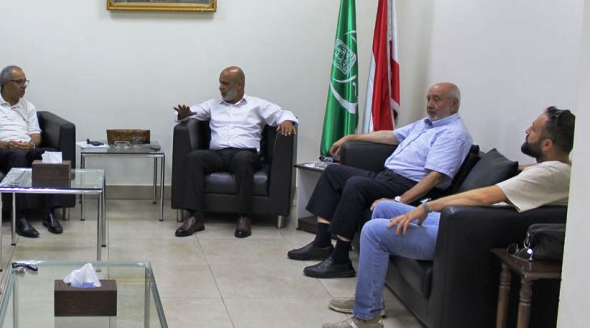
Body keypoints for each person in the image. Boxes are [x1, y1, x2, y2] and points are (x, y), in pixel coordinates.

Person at [323, 106, 574, 328]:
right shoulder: (555, 169)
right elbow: (527, 174)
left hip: (464, 233)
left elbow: (484, 196)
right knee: (384, 209)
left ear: (547, 145)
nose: (527, 130)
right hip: (462, 221)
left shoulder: (550, 174)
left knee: (373, 231)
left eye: (534, 129)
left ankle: (366, 319)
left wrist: (427, 208)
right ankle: (370, 300)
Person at [288, 82, 473, 279]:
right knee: (333, 172)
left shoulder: (454, 134)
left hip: (408, 186)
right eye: (428, 99)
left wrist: (399, 201)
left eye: (436, 99)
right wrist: (351, 137)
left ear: (453, 104)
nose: (429, 104)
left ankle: (340, 260)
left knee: (356, 185)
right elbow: (391, 136)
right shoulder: (426, 124)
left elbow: (435, 178)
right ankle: (321, 243)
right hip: (387, 176)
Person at [172, 66, 298, 238]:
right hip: (218, 154)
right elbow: (189, 113)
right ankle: (195, 217)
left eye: (225, 84)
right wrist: (182, 115)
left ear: (239, 85)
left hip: (246, 154)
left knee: (243, 159)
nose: (220, 87)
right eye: (220, 83)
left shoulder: (257, 105)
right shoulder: (213, 105)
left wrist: (287, 121)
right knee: (195, 157)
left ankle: (244, 217)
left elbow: (283, 113)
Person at [0, 65, 66, 238]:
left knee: (51, 154)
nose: (24, 86)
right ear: (5, 83)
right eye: (19, 82)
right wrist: (5, 145)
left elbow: (36, 136)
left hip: (24, 149)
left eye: (25, 82)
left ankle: (50, 213)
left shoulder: (28, 106)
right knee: (16, 156)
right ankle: (20, 216)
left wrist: (31, 145)